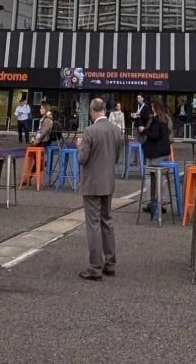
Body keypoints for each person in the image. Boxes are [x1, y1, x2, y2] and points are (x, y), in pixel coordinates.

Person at [77, 97, 121, 280]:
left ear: (93, 111)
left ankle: (95, 267)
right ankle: (110, 263)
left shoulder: (89, 131)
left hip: (92, 183)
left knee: (93, 224)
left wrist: (79, 146)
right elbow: (117, 157)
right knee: (107, 221)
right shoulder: (116, 131)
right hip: (108, 181)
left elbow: (82, 159)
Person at [140, 104, 173, 220]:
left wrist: (144, 130)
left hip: (155, 153)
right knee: (161, 177)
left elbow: (154, 135)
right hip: (165, 151)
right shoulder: (166, 119)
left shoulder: (155, 120)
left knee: (150, 176)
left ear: (154, 109)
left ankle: (152, 202)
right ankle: (163, 202)